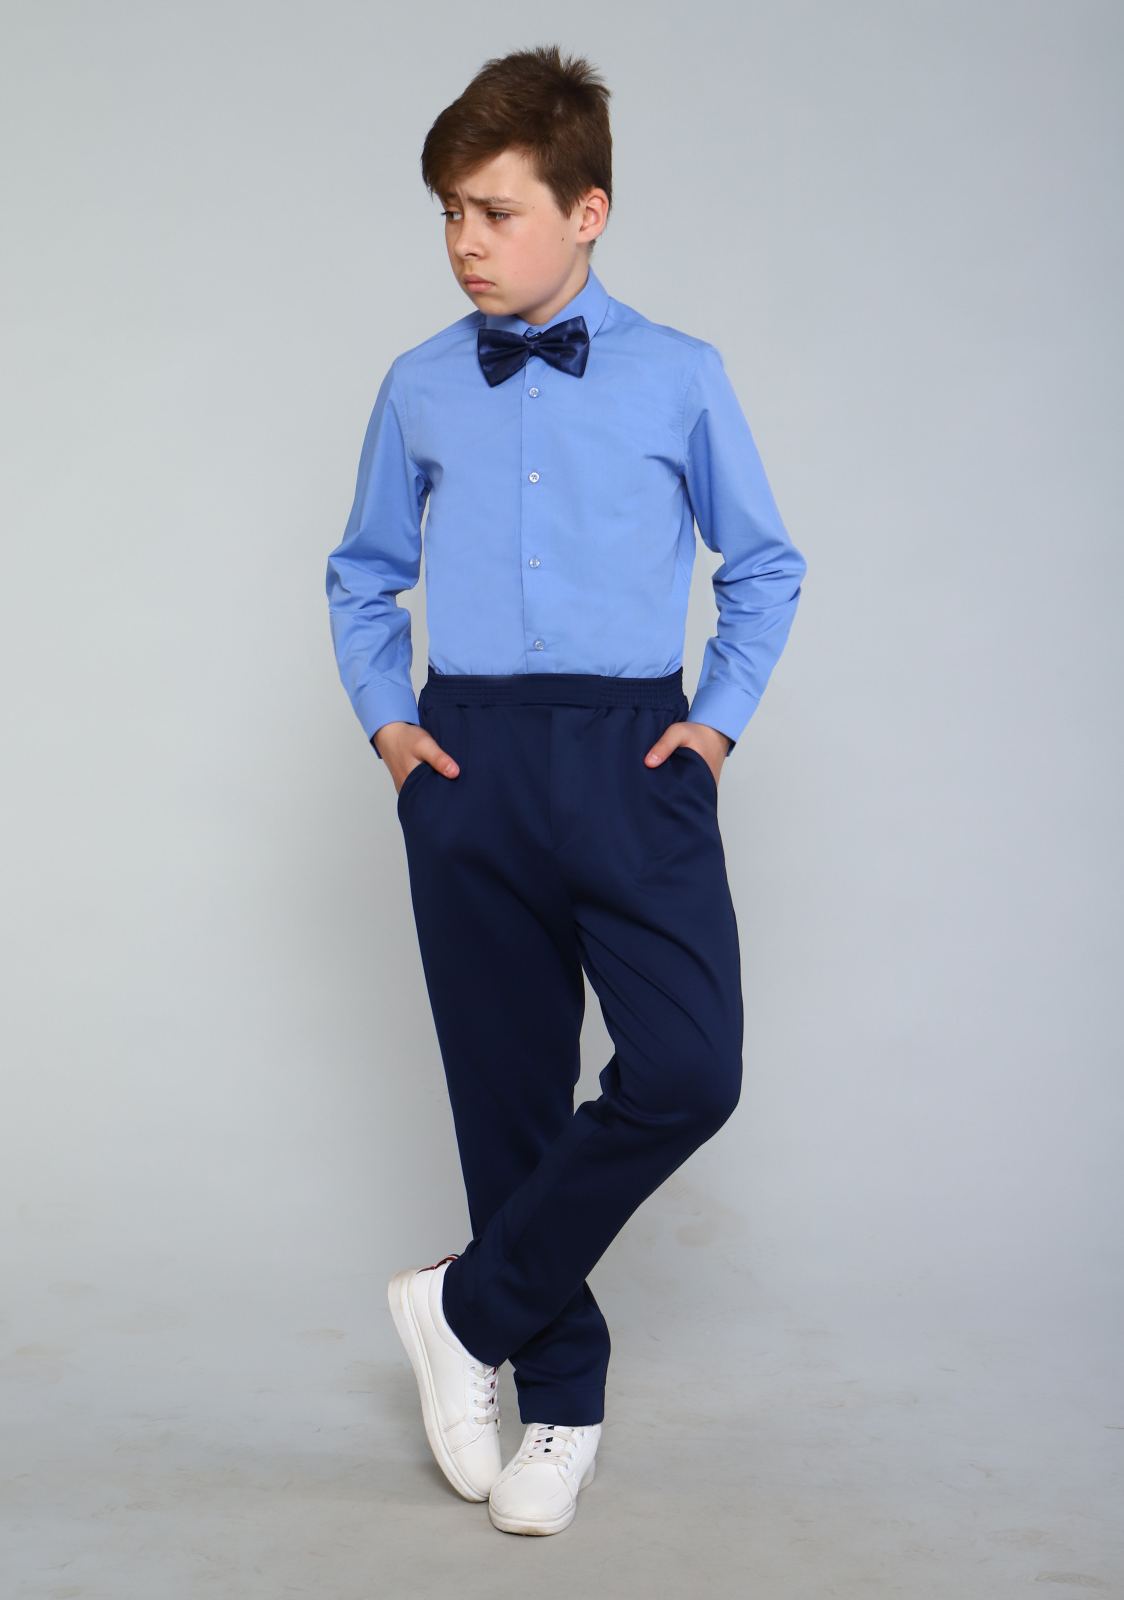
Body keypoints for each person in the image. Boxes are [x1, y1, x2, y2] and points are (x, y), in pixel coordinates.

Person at [327, 45, 805, 1536]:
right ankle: (563, 1404)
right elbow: (361, 575)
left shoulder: (679, 374)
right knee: (509, 1099)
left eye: (495, 212)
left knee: (686, 1071)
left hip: (631, 753)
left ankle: (462, 1307)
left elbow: (764, 565)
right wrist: (392, 728)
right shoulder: (419, 383)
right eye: (448, 215)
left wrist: (714, 727)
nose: (464, 244)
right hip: (466, 756)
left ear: (586, 211)